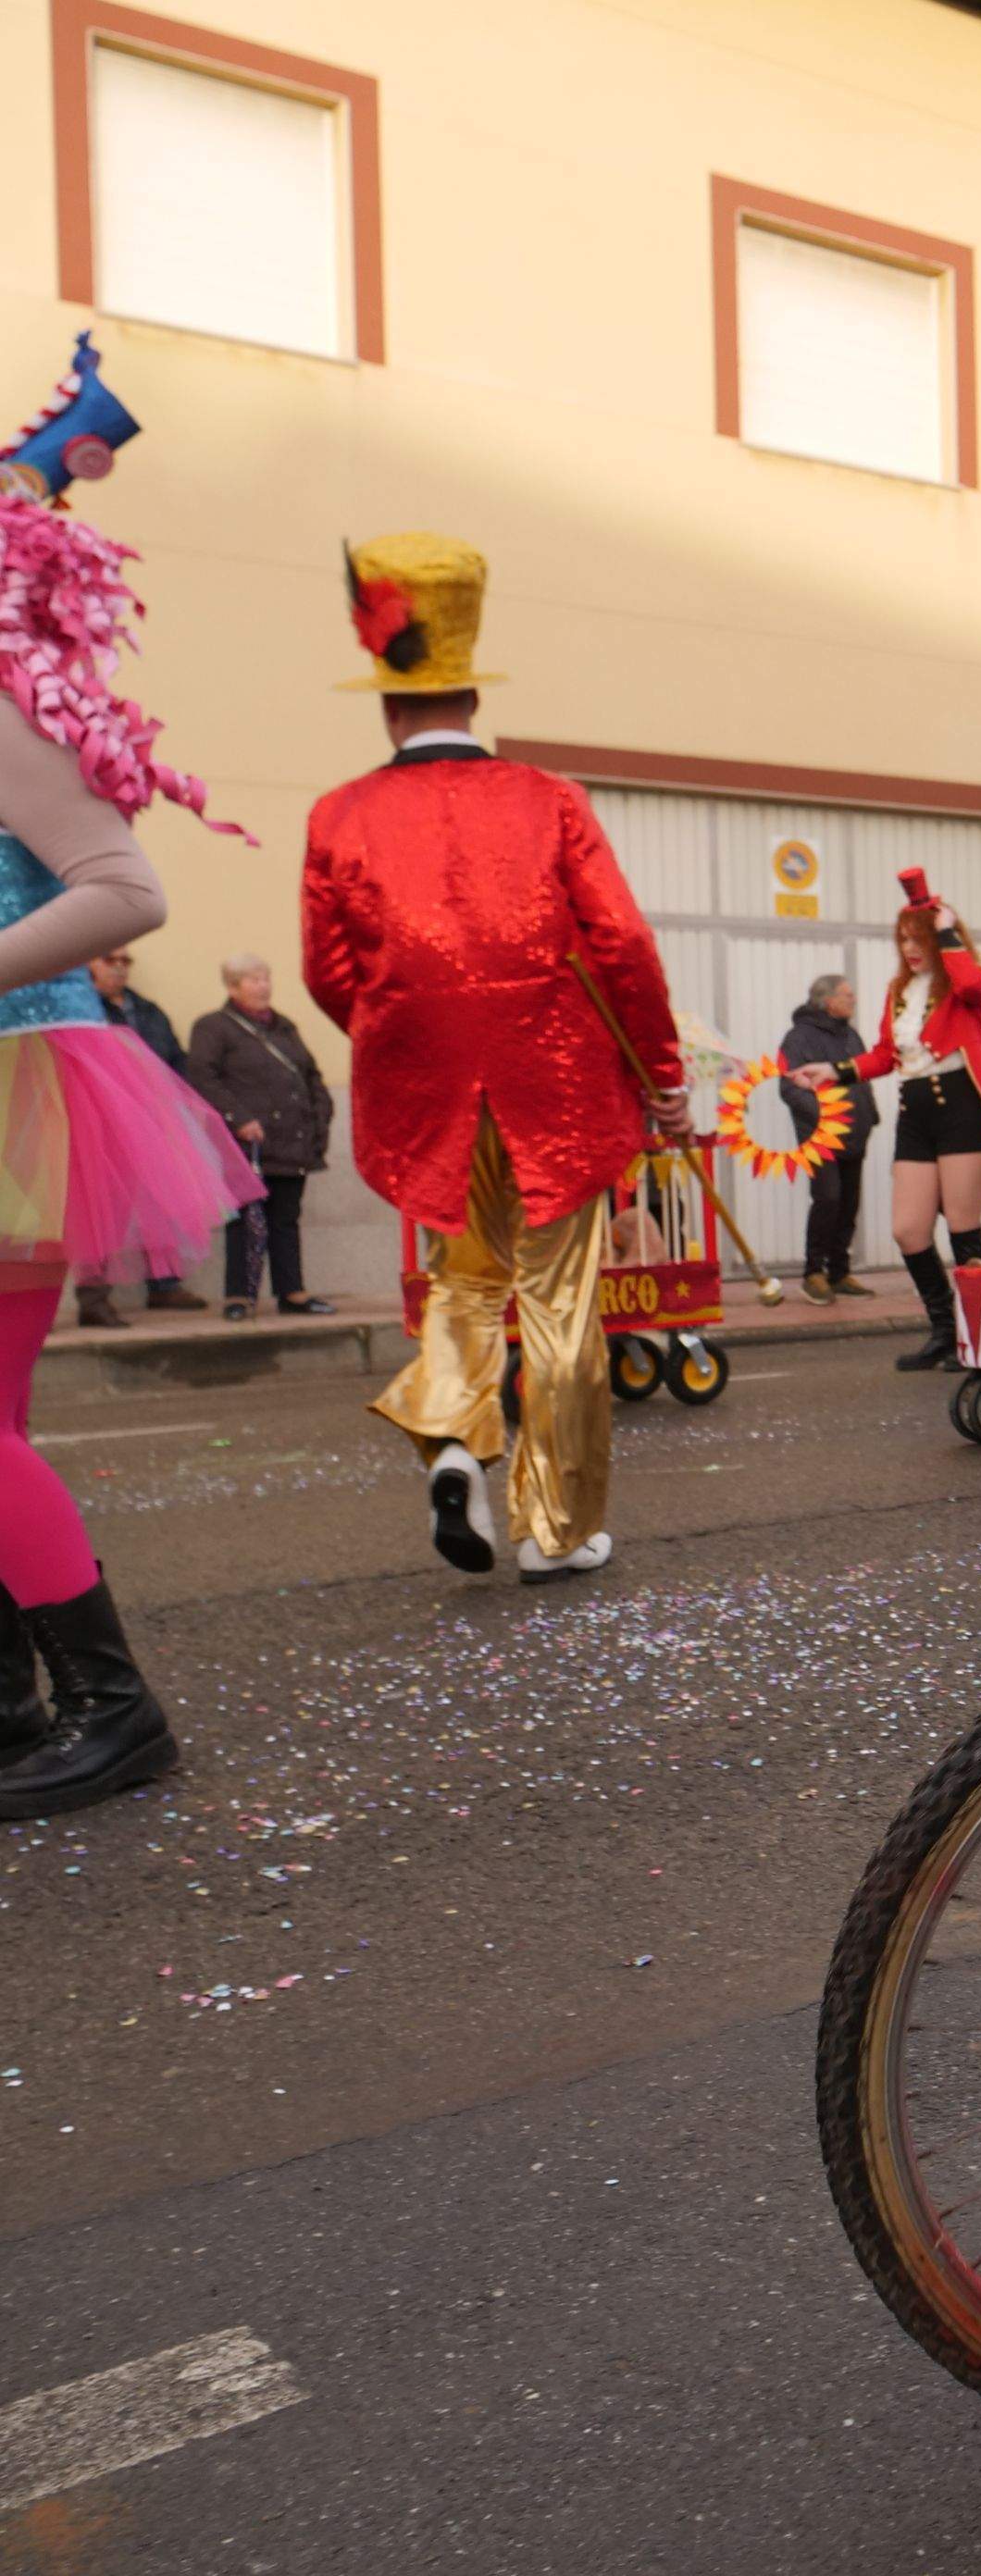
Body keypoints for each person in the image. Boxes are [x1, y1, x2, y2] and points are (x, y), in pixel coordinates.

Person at [303, 531, 689, 1585]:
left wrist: (403, 1039)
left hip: (429, 1089)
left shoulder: (339, 814)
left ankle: (450, 1450)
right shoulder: (549, 797)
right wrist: (661, 1077)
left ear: (387, 704)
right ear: (473, 694)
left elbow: (329, 973)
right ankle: (555, 1531)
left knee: (460, 1287)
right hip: (555, 1084)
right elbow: (622, 945)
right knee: (560, 1306)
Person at [0, 377, 260, 1820]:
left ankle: (113, 1709)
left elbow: (124, 892)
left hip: (21, 1083)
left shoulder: (3, 714)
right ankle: (17, 1704)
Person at [851, 877, 981, 1370]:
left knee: (962, 1226)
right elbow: (883, 1055)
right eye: (904, 940)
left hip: (961, 1107)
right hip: (914, 1110)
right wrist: (832, 1071)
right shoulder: (899, 991)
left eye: (920, 939)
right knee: (908, 1230)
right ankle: (945, 1330)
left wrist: (949, 932)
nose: (910, 949)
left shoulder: (964, 984)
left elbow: (975, 985)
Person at [182, 952, 335, 1321]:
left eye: (266, 978)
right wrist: (239, 1119)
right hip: (246, 1146)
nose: (264, 986)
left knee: (286, 1219)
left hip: (292, 1141)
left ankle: (292, 1292)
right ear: (233, 987)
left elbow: (310, 1074)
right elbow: (202, 1076)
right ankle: (239, 1296)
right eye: (254, 980)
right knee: (245, 1222)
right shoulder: (213, 1027)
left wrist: (320, 1116)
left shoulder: (285, 1027)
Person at [71, 946, 205, 1323]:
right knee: (102, 1212)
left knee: (161, 1202)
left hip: (154, 1123)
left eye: (125, 961)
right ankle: (94, 1299)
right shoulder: (82, 1009)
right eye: (109, 960)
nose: (119, 968)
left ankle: (165, 1285)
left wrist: (184, 1105)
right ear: (89, 964)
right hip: (101, 1125)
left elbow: (175, 1060)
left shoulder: (147, 1011)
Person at [778, 972, 877, 1303]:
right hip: (820, 1136)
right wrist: (825, 1116)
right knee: (828, 1199)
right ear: (828, 1001)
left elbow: (862, 1074)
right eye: (847, 995)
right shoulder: (798, 1038)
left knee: (849, 1203)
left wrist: (870, 1114)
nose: (854, 1000)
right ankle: (813, 1273)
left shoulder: (851, 1034)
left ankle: (839, 1272)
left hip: (856, 1132)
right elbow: (790, 1088)